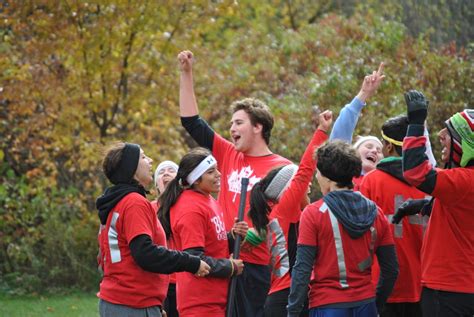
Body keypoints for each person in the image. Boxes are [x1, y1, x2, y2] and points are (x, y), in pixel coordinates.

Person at [178, 50, 291, 316]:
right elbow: (192, 122)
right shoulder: (228, 153)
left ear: (258, 127)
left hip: (260, 266)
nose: (231, 128)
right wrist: (186, 73)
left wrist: (258, 232)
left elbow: (287, 217)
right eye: (231, 123)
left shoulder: (283, 167)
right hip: (226, 260)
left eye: (238, 122)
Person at [96, 142, 210, 317]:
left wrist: (153, 304)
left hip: (125, 302)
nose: (150, 161)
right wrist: (191, 262)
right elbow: (145, 253)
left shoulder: (116, 200)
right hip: (131, 303)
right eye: (143, 157)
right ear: (131, 168)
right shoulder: (134, 202)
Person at [288, 141, 399, 317]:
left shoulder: (313, 213)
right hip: (366, 304)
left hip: (327, 305)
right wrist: (375, 303)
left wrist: (293, 312)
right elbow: (391, 269)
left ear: (328, 178)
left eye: (318, 172)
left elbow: (302, 269)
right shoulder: (376, 213)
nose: (316, 177)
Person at [244, 110, 332, 317]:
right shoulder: (284, 211)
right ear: (288, 191)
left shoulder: (281, 215)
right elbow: (304, 172)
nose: (308, 186)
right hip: (289, 296)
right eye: (302, 186)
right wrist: (321, 131)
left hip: (283, 295)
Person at [401, 90, 474, 317]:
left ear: (466, 144)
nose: (441, 136)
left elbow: (415, 171)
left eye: (450, 133)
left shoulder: (465, 180)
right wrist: (427, 206)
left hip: (449, 289)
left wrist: (416, 123)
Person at [158, 147, 246, 317]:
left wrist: (233, 236)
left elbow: (214, 244)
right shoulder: (190, 208)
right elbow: (195, 260)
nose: (219, 174)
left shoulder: (209, 200)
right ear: (196, 179)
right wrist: (230, 267)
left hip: (216, 298)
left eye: (217, 169)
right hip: (199, 303)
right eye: (211, 172)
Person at [359, 114, 428, 316]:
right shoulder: (432, 181)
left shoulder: (371, 181)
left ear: (388, 147)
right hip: (425, 284)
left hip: (382, 284)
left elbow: (363, 235)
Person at [151, 160, 179, 317]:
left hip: (184, 278)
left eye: (171, 170)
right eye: (161, 172)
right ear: (156, 185)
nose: (166, 173)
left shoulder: (188, 206)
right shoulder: (149, 208)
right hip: (159, 281)